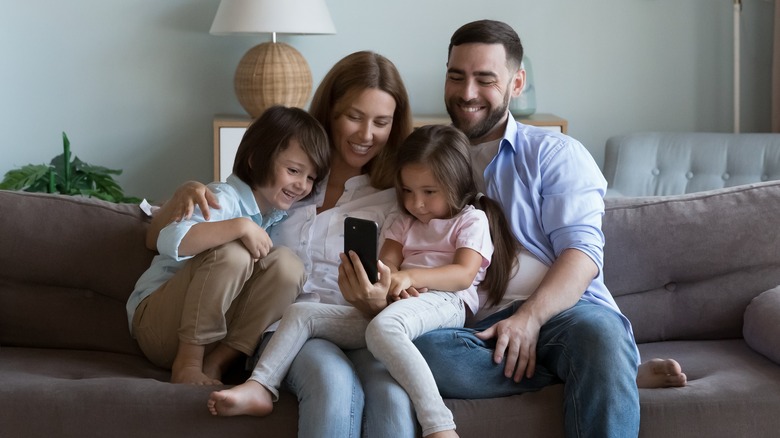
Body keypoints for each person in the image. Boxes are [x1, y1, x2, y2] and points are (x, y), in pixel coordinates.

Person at [401, 19, 685, 437]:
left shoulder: (554, 153)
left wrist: (529, 319)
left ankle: (601, 365)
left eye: (485, 79)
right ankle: (601, 375)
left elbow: (583, 254)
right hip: (470, 327)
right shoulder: (426, 158)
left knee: (600, 336)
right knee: (421, 352)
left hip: (561, 315)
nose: (467, 93)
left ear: (516, 83)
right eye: (456, 76)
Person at [149, 51, 419, 437]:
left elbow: (408, 278)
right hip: (286, 330)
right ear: (329, 112)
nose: (366, 135)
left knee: (393, 400)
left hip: (360, 326)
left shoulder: (398, 197)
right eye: (354, 116)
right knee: (333, 384)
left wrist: (378, 302)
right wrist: (184, 193)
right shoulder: (286, 181)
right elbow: (185, 229)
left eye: (381, 122)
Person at [206, 124, 519, 438]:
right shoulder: (403, 220)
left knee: (385, 329)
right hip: (397, 308)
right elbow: (388, 265)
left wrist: (410, 276)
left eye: (429, 192)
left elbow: (463, 274)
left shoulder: (470, 219)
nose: (416, 203)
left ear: (455, 184)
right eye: (408, 191)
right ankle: (260, 386)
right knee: (301, 314)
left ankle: (439, 425)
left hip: (447, 301)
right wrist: (381, 284)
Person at [127, 105, 330, 386]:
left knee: (289, 266)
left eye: (310, 178)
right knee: (234, 250)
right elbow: (168, 239)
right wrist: (239, 226)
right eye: (294, 171)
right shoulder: (222, 198)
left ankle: (216, 363)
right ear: (255, 160)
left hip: (216, 332)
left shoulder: (276, 216)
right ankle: (188, 362)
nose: (302, 185)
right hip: (159, 325)